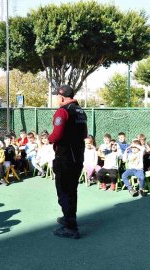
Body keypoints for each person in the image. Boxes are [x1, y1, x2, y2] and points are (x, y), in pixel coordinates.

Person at [48, 85, 87, 239]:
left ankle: (71, 227)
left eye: (57, 96)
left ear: (62, 97)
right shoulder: (81, 111)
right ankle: (68, 217)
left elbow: (56, 136)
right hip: (78, 155)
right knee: (72, 190)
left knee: (64, 191)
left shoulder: (62, 111)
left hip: (65, 157)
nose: (56, 98)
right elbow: (84, 134)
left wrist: (48, 139)